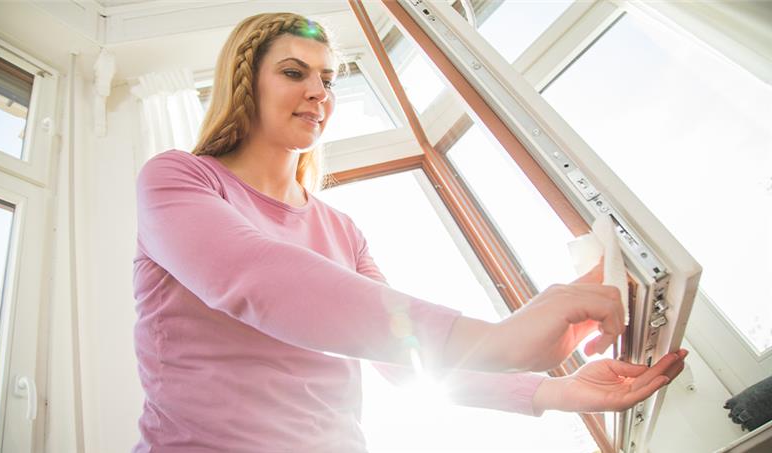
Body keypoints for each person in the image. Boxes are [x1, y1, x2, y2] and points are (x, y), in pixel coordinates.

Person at [132, 12, 687, 452]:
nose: (320, 92)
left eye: (327, 79)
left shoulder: (342, 231)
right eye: (294, 72)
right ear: (243, 82)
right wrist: (498, 341)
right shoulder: (177, 179)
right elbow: (256, 277)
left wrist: (559, 391)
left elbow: (403, 360)